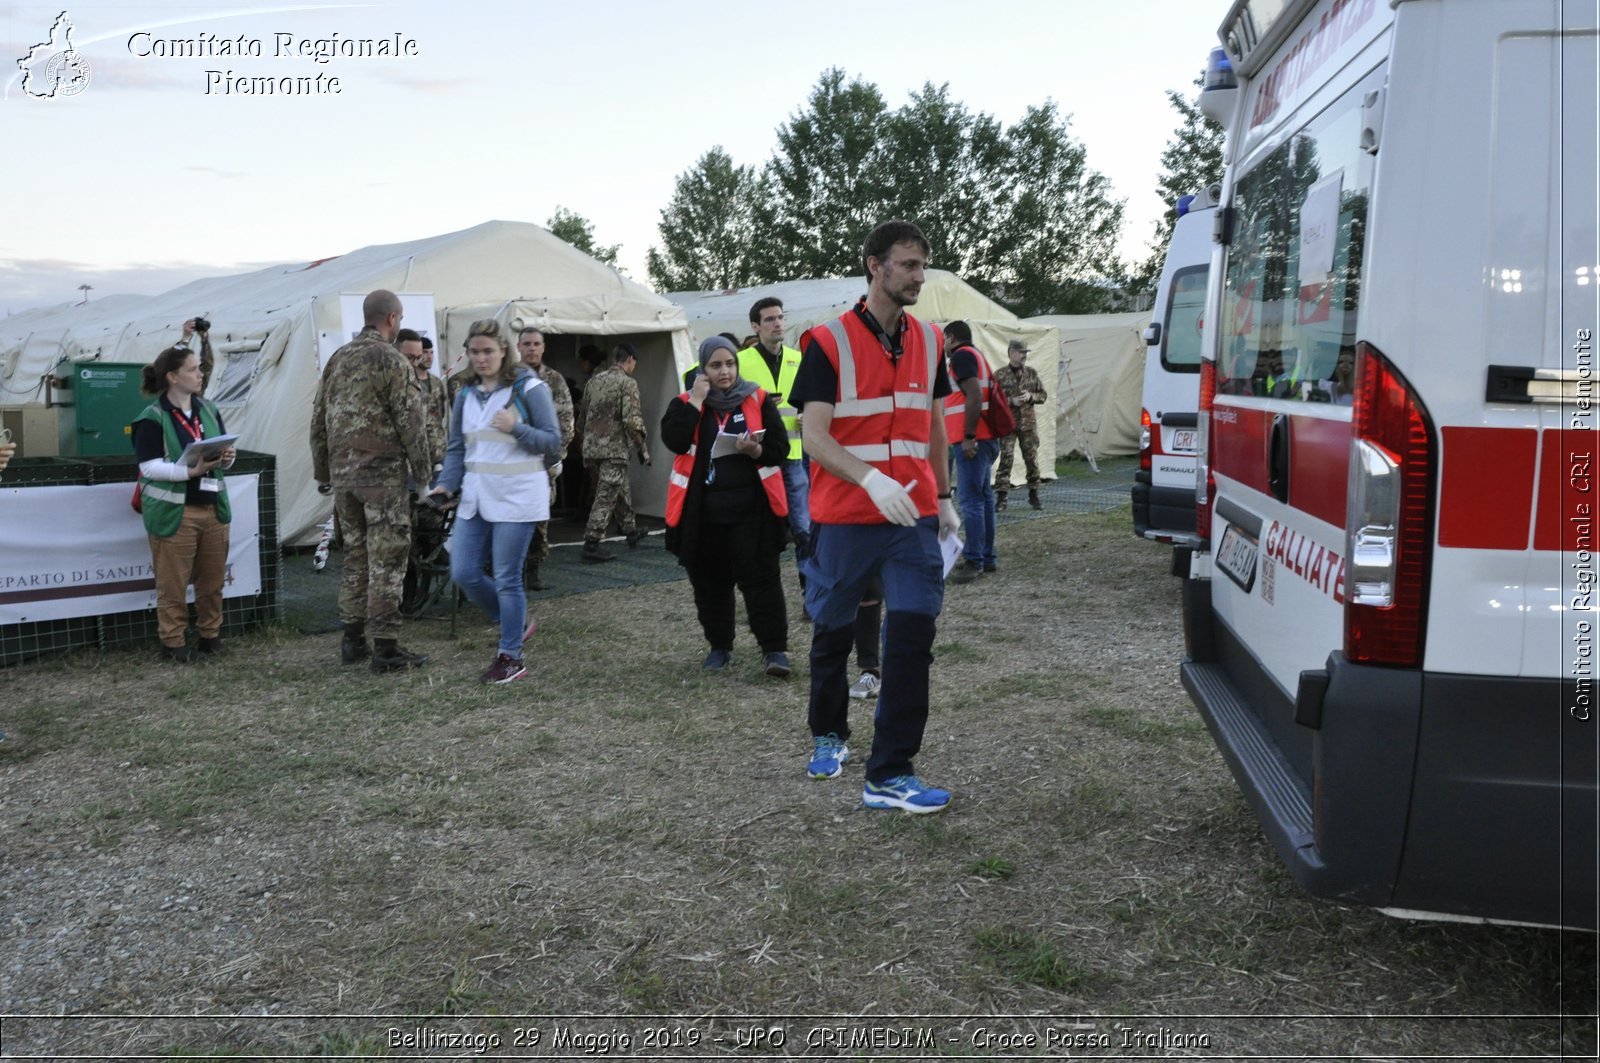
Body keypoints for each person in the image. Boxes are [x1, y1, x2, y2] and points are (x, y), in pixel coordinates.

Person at [789, 219, 961, 814]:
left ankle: (890, 772)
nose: (919, 276)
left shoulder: (933, 340)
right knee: (832, 633)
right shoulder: (828, 341)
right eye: (908, 265)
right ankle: (829, 734)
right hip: (844, 516)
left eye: (923, 266)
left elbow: (935, 425)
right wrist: (867, 476)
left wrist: (941, 498)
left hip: (911, 516)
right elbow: (813, 437)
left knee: (912, 635)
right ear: (874, 265)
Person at [431, 320, 562, 685]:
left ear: (505, 350)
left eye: (488, 350)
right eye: (475, 352)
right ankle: (514, 621)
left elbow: (553, 442)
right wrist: (446, 485)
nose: (481, 358)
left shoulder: (530, 388)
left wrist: (516, 427)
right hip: (476, 496)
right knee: (464, 572)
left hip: (518, 495)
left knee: (507, 577)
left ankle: (511, 656)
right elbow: (458, 448)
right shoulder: (465, 394)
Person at [310, 289, 432, 674]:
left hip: (345, 480)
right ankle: (386, 648)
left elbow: (317, 421)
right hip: (382, 479)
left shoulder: (337, 359)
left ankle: (352, 640)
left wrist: (323, 473)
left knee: (356, 560)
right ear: (393, 318)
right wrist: (425, 478)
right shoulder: (391, 359)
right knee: (388, 560)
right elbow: (411, 423)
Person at [661, 337, 793, 676]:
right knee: (710, 585)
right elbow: (674, 440)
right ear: (703, 370)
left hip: (752, 512)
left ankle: (775, 651)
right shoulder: (685, 402)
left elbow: (779, 447)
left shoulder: (758, 398)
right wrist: (696, 400)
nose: (725, 371)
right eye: (716, 365)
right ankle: (720, 647)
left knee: (762, 582)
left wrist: (756, 452)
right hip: (703, 516)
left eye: (730, 364)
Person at [130, 344, 237, 662]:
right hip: (175, 512)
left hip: (213, 507)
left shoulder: (208, 409)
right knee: (173, 583)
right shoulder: (151, 418)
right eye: (193, 369)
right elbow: (148, 467)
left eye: (200, 368)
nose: (200, 374)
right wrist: (190, 471)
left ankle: (210, 637)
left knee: (212, 581)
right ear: (173, 377)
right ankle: (173, 643)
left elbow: (224, 455)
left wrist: (227, 457)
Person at [737, 297, 811, 565]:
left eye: (780, 317)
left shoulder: (798, 358)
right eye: (770, 319)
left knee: (805, 529)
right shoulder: (738, 361)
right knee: (763, 529)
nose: (778, 323)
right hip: (756, 458)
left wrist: (807, 415)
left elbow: (811, 400)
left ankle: (811, 595)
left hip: (793, 456)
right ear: (755, 326)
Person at [516, 326, 575, 591]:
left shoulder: (554, 380)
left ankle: (533, 569)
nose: (531, 348)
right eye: (526, 344)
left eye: (536, 344)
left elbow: (565, 421)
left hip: (543, 463)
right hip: (514, 463)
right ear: (518, 347)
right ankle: (511, 570)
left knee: (539, 519)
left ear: (543, 347)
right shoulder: (507, 378)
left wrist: (555, 458)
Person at [580, 342, 650, 562]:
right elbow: (632, 421)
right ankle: (591, 543)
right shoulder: (627, 383)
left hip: (592, 448)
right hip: (614, 449)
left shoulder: (593, 382)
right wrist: (642, 448)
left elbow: (581, 419)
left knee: (619, 489)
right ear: (630, 360)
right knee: (606, 496)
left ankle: (630, 531)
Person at [943, 320, 1000, 582]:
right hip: (986, 438)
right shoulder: (978, 356)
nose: (943, 346)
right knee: (984, 498)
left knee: (971, 501)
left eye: (944, 340)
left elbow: (974, 395)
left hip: (973, 442)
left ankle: (974, 560)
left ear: (952, 338)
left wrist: (968, 437)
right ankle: (986, 558)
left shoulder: (962, 357)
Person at [993, 338, 1047, 511]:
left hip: (1028, 425)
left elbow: (1043, 395)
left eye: (1025, 353)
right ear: (1011, 352)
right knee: (1006, 459)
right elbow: (992, 400)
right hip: (1008, 425)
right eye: (1021, 352)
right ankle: (1002, 497)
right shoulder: (999, 375)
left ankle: (1034, 495)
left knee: (1031, 460)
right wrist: (1011, 401)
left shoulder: (1031, 373)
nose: (1024, 356)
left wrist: (1031, 397)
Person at [397, 328, 449, 473]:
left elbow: (440, 414)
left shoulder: (437, 383)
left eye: (431, 353)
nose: (429, 357)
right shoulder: (405, 383)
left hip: (438, 449)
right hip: (414, 453)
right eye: (425, 353)